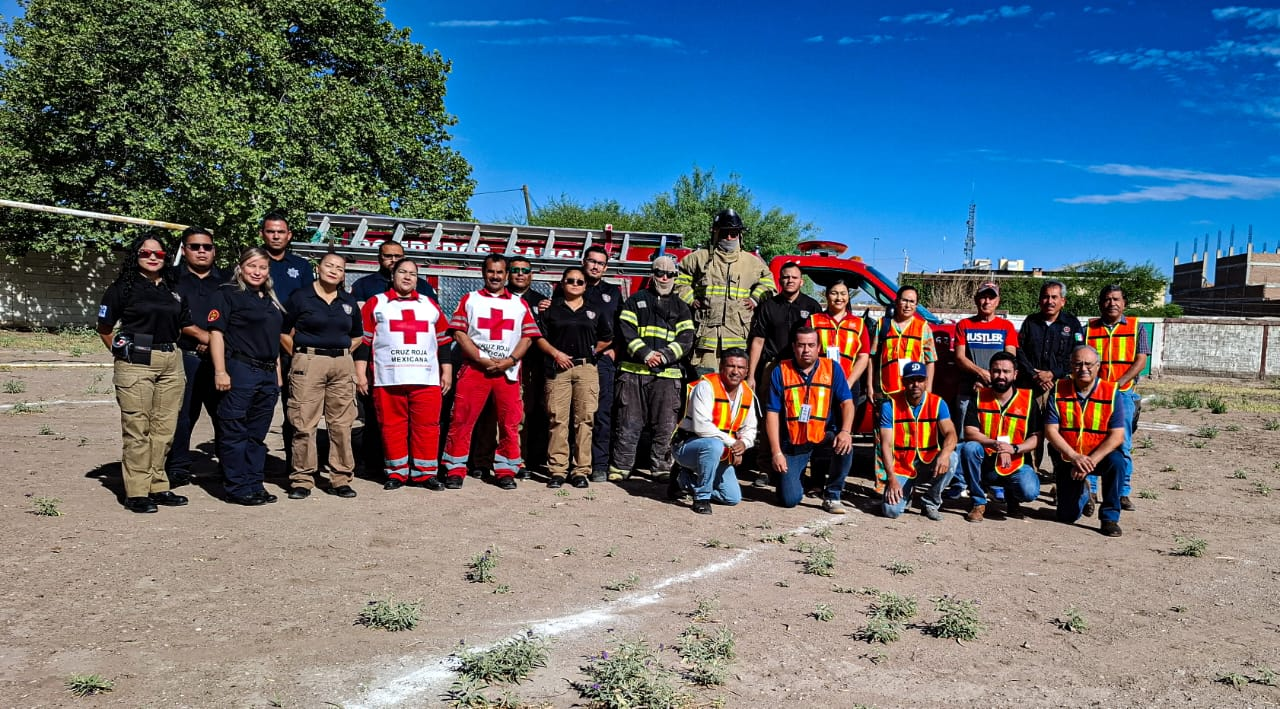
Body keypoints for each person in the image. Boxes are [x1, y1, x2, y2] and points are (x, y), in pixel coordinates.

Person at [96, 233, 194, 513]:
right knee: (138, 427)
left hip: (170, 358)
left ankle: (158, 485)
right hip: (137, 360)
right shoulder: (122, 288)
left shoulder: (174, 289)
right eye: (146, 253)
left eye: (159, 254)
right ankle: (137, 491)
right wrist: (120, 351)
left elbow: (183, 324)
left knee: (164, 428)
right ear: (135, 256)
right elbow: (105, 328)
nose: (153, 258)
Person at [441, 255, 540, 489]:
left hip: (508, 372)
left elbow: (528, 337)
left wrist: (510, 360)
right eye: (490, 272)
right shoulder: (470, 299)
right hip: (475, 370)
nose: (495, 276)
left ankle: (505, 470)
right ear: (483, 273)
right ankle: (455, 469)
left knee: (509, 422)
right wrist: (481, 359)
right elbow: (459, 333)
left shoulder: (519, 304)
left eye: (500, 272)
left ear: (506, 275)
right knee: (462, 420)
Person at [354, 258, 453, 490]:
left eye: (413, 274)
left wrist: (446, 370)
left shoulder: (429, 304)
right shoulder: (376, 303)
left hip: (426, 377)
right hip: (388, 377)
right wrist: (360, 373)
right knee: (391, 425)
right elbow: (363, 342)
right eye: (402, 272)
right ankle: (396, 473)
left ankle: (425, 473)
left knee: (427, 426)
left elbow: (444, 340)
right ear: (392, 275)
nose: (408, 277)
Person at [281, 252, 362, 499]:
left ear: (343, 274)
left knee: (341, 424)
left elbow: (358, 335)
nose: (334, 271)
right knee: (304, 422)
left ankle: (340, 478)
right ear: (319, 268)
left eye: (339, 268)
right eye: (329, 265)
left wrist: (343, 354)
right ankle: (302, 479)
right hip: (308, 361)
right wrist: (300, 356)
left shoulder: (348, 302)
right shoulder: (300, 297)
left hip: (341, 363)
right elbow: (284, 332)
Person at [208, 247, 285, 506]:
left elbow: (272, 339)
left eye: (263, 267)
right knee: (234, 430)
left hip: (266, 374)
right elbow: (216, 334)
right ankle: (237, 487)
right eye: (252, 266)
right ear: (240, 267)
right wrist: (220, 370)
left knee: (256, 435)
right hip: (240, 370)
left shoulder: (269, 299)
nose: (257, 272)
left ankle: (254, 483)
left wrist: (277, 374)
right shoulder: (227, 294)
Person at [609, 255, 695, 482]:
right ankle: (621, 467)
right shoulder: (635, 301)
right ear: (652, 274)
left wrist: (664, 356)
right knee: (628, 423)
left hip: (667, 376)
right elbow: (626, 329)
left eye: (670, 274)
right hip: (634, 373)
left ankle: (661, 468)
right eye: (659, 273)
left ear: (676, 277)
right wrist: (645, 354)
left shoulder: (682, 307)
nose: (664, 278)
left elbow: (686, 339)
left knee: (665, 426)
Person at [471, 255, 548, 479]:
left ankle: (516, 461)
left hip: (524, 369)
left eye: (525, 270)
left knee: (517, 418)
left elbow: (541, 335)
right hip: (489, 367)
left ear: (532, 275)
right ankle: (482, 461)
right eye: (515, 270)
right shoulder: (483, 299)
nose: (520, 274)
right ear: (507, 274)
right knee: (487, 416)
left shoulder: (540, 301)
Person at [765, 327, 856, 514]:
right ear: (793, 347)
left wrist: (845, 431)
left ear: (819, 347)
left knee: (846, 445)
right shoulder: (781, 370)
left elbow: (847, 402)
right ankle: (798, 481)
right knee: (789, 499)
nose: (806, 350)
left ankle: (832, 494)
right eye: (801, 345)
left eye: (811, 345)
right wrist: (776, 452)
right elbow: (772, 413)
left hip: (824, 435)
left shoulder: (832, 368)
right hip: (794, 441)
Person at [745, 260, 820, 486]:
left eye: (794, 277)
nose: (789, 281)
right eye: (785, 277)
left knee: (801, 417)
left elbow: (819, 343)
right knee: (771, 416)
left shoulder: (812, 306)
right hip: (773, 367)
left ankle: (797, 468)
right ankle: (766, 468)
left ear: (801, 281)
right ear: (780, 280)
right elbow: (758, 341)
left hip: (802, 370)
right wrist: (751, 375)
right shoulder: (769, 306)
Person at [536, 266, 613, 488]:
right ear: (562, 284)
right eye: (570, 281)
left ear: (585, 286)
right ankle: (557, 470)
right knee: (558, 419)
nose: (575, 284)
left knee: (585, 420)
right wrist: (556, 354)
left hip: (586, 369)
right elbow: (539, 337)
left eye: (580, 282)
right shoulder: (551, 309)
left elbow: (607, 338)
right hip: (558, 369)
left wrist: (590, 352)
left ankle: (581, 470)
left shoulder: (595, 310)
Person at [675, 208, 776, 374]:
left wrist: (755, 299)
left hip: (738, 339)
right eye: (725, 233)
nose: (729, 238)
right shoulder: (699, 258)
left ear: (740, 235)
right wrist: (690, 299)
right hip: (706, 340)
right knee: (705, 384)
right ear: (716, 233)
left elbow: (769, 284)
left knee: (734, 387)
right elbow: (678, 280)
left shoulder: (752, 262)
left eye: (733, 233)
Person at [1043, 346, 1127, 537]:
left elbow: (1117, 436)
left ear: (1098, 366)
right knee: (1067, 516)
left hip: (1099, 456)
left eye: (1088, 364)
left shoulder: (1111, 392)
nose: (1083, 369)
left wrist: (1090, 462)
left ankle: (1109, 518)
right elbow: (1050, 431)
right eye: (1078, 364)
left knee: (1118, 461)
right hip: (1069, 456)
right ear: (1070, 366)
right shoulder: (1058, 390)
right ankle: (1084, 493)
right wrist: (1074, 458)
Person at [165, 226, 225, 488]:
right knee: (183, 414)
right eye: (195, 246)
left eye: (207, 247)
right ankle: (178, 466)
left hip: (220, 361)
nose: (201, 251)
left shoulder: (226, 281)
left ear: (214, 250)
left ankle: (229, 465)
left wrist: (215, 343)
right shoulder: (170, 279)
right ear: (184, 249)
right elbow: (169, 316)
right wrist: (205, 337)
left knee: (224, 414)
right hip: (184, 356)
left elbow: (235, 316)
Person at [1086, 285, 1150, 512]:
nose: (1111, 303)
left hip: (1122, 394)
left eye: (1116, 299)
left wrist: (1119, 383)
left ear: (1124, 303)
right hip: (1095, 394)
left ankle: (1122, 493)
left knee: (1123, 444)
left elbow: (1140, 361)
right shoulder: (1089, 329)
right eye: (1107, 299)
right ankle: (1090, 489)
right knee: (1092, 440)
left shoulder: (1136, 327)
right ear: (1100, 303)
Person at [959, 352, 1041, 522]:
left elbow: (1037, 437)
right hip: (987, 461)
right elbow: (969, 432)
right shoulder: (980, 396)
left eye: (1006, 371)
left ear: (1015, 374)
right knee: (969, 448)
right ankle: (978, 502)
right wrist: (996, 444)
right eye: (996, 371)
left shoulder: (1028, 399)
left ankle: (1013, 500)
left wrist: (1014, 448)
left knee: (1030, 491)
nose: (1001, 376)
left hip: (1016, 462)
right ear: (990, 371)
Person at [672, 349, 757, 514]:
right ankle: (702, 498)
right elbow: (701, 427)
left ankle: (683, 479)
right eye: (730, 366)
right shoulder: (706, 386)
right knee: (713, 444)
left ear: (747, 371)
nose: (735, 371)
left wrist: (743, 445)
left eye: (740, 367)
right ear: (721, 367)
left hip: (720, 452)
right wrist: (733, 444)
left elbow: (750, 428)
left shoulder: (747, 393)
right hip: (687, 445)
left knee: (731, 497)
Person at [260, 211, 312, 468]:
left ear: (289, 235)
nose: (276, 236)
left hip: (292, 347)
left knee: (295, 409)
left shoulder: (301, 266)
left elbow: (306, 306)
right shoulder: (253, 262)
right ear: (263, 234)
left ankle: (295, 466)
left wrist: (288, 337)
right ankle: (252, 466)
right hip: (257, 348)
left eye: (281, 231)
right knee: (258, 408)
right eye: (271, 231)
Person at [1015, 280, 1085, 472]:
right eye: (1045, 297)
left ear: (1063, 301)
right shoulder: (1031, 322)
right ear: (1040, 300)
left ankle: (1060, 476)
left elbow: (1077, 354)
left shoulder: (1072, 324)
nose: (1049, 301)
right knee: (1032, 431)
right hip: (1031, 387)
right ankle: (1031, 472)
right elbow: (1019, 351)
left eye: (1054, 297)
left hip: (1061, 387)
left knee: (1061, 433)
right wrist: (1034, 374)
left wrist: (1052, 374)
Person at [878, 361, 959, 520]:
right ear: (903, 382)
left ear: (926, 381)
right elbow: (885, 445)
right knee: (891, 511)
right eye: (910, 380)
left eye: (920, 379)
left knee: (952, 457)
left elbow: (951, 433)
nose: (916, 384)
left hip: (928, 463)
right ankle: (905, 495)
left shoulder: (937, 403)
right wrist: (892, 479)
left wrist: (944, 455)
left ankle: (930, 502)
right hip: (901, 466)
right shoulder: (890, 405)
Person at [952, 281, 1018, 428]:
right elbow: (959, 357)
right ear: (976, 299)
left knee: (995, 435)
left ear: (998, 301)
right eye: (983, 297)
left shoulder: (1006, 327)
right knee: (964, 438)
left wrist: (990, 380)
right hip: (968, 390)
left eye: (991, 297)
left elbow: (1010, 359)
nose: (987, 301)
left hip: (997, 392)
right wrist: (981, 373)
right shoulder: (964, 325)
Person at [872, 286, 936, 399]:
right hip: (886, 391)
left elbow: (930, 361)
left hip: (913, 392)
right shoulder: (882, 325)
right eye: (904, 300)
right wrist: (870, 386)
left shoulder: (923, 328)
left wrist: (928, 389)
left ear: (916, 305)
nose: (907, 306)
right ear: (897, 302)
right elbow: (872, 357)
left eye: (912, 302)